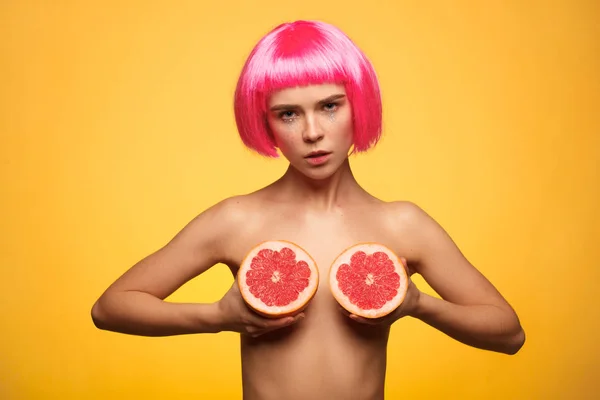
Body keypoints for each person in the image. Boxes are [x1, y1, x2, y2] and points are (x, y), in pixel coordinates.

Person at [91, 20, 525, 400]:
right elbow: (112, 307)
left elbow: (509, 333)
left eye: (330, 106)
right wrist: (218, 317)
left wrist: (416, 304)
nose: (313, 132)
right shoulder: (237, 220)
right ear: (265, 121)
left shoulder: (403, 225)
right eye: (288, 114)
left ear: (360, 105)